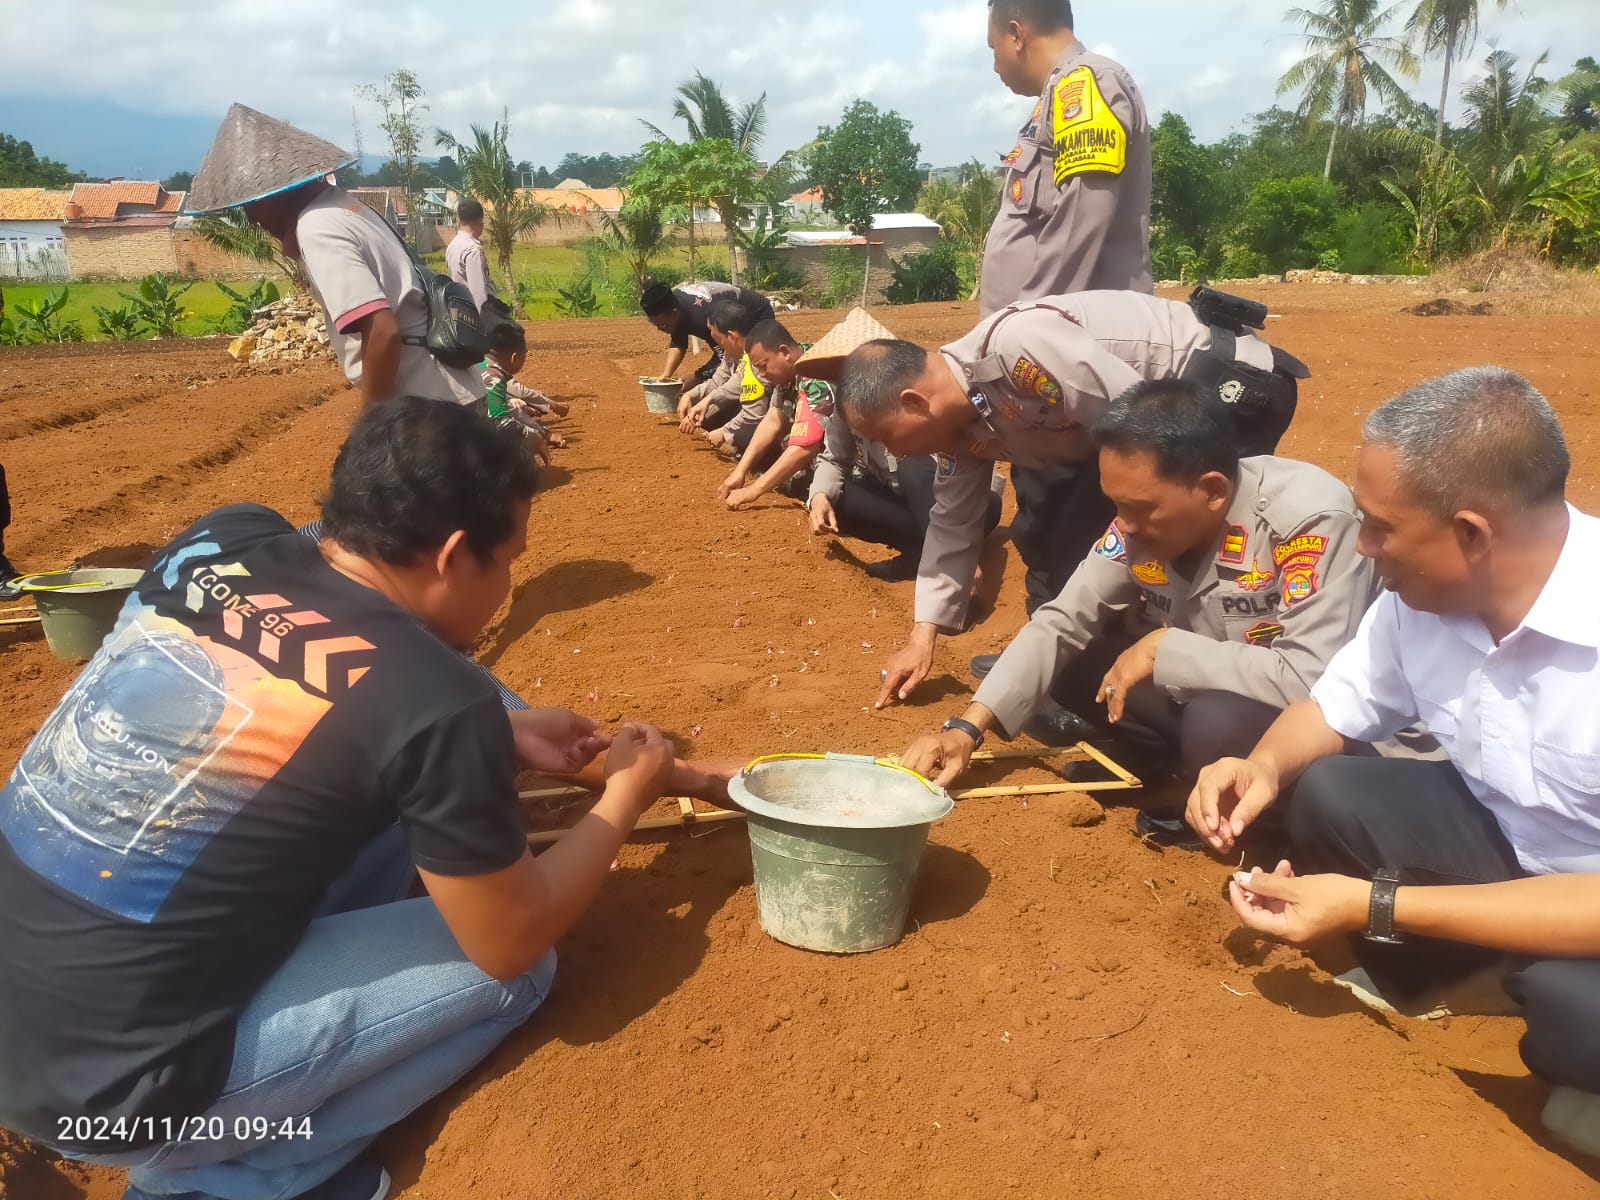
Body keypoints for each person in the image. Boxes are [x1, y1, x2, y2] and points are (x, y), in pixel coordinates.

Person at [0, 398, 734, 1200]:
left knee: (373, 813)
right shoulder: (433, 701)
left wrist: (497, 731)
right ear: (455, 555)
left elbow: (344, 689)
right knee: (519, 978)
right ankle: (250, 1176)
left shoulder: (224, 536)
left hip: (25, 1010)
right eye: (510, 559)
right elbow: (510, 938)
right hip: (116, 1106)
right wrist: (623, 797)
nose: (510, 580)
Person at [1187, 368, 1600, 1158]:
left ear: (1473, 534)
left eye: (1379, 528)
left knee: (1572, 1013)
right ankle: (1461, 977)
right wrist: (1264, 766)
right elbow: (1332, 710)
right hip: (1515, 850)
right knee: (1331, 789)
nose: (1365, 550)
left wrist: (1374, 908)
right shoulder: (1420, 603)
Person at [900, 380, 1373, 845]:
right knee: (1075, 659)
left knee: (1215, 720)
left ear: (1211, 490)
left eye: (1139, 508)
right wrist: (966, 730)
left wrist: (1166, 649)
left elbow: (1313, 679)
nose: (1123, 524)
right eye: (1116, 504)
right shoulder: (1138, 523)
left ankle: (1255, 818)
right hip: (1213, 686)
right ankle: (1160, 765)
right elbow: (1063, 619)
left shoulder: (1306, 521)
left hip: (1307, 725)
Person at [836, 290, 1310, 712]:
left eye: (884, 436)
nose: (893, 453)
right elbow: (953, 520)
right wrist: (924, 637)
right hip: (1142, 418)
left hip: (1227, 383)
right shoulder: (962, 421)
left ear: (916, 402)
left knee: (1160, 531)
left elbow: (1141, 426)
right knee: (1048, 532)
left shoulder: (1018, 349)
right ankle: (1090, 671)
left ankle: (1211, 696)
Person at [980, 0, 1155, 656]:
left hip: (1067, 354)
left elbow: (1078, 230)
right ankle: (1044, 656)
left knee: (1071, 520)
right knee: (1045, 518)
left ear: (1016, 31)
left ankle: (1069, 673)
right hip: (1046, 355)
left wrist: (1025, 339)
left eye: (993, 46)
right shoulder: (1057, 99)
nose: (995, 63)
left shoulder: (1087, 89)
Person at [184, 103, 483, 408]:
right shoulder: (347, 206)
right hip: (452, 393)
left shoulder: (317, 226)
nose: (250, 218)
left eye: (250, 204)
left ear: (276, 193)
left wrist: (372, 428)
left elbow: (382, 330)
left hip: (428, 408)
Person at [718, 319, 837, 507]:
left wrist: (754, 490)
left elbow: (804, 447)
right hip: (819, 453)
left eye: (763, 366)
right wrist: (740, 471)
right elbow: (773, 418)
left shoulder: (816, 377)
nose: (762, 374)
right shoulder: (792, 368)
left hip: (848, 464)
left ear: (784, 353)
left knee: (796, 481)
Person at [640, 279, 773, 388]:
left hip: (757, 313)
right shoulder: (677, 308)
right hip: (726, 310)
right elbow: (678, 339)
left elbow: (722, 355)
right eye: (655, 325)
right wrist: (666, 376)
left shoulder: (702, 319)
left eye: (662, 325)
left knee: (748, 361)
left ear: (675, 313)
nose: (659, 329)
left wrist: (697, 377)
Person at [679, 293, 772, 439]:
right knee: (707, 415)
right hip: (753, 409)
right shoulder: (731, 353)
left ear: (732, 336)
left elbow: (738, 389)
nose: (717, 344)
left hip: (767, 415)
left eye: (717, 338)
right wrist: (690, 395)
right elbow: (718, 382)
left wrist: (725, 433)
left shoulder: (758, 358)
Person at [480, 320, 553, 464]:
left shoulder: (479, 363)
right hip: (460, 441)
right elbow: (500, 421)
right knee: (514, 437)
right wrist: (533, 436)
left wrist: (509, 403)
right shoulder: (493, 377)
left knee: (513, 409)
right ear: (515, 358)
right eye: (525, 355)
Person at [445, 198, 496, 312]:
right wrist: (485, 319)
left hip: (460, 306)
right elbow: (478, 290)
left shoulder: (452, 245)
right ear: (481, 223)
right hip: (474, 311)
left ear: (459, 220)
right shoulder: (472, 250)